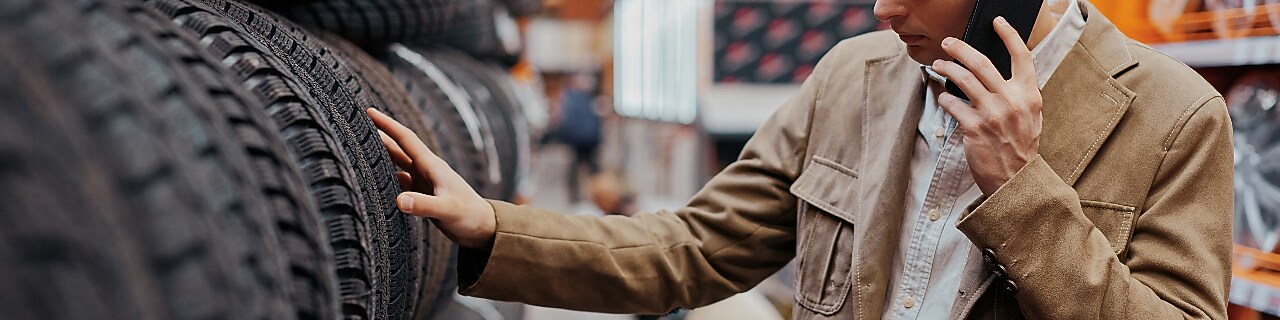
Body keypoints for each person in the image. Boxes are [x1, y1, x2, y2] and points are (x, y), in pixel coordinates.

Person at [367, 0, 1234, 318]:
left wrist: (1022, 189)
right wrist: (491, 228)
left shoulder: (1173, 117)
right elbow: (695, 251)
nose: (883, 9)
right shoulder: (852, 77)